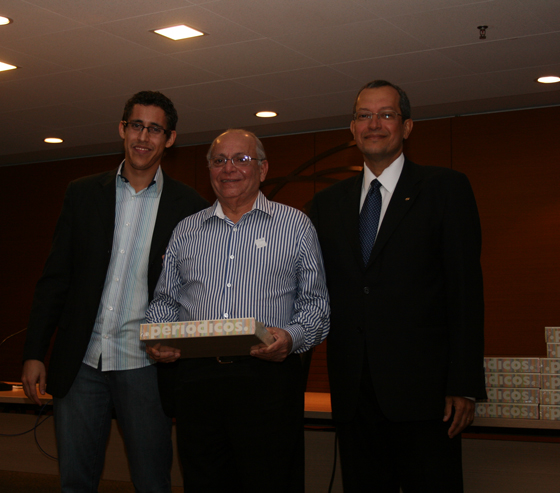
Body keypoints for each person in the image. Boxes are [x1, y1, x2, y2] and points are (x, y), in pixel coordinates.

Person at [21, 90, 209, 493]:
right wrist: (35, 351)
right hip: (81, 361)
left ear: (170, 139)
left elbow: (195, 292)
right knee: (75, 481)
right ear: (122, 129)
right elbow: (55, 279)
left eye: (154, 129)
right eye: (136, 125)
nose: (143, 137)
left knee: (151, 482)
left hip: (146, 365)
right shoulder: (83, 193)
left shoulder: (190, 206)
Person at [309, 80, 486, 491]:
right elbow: (314, 287)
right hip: (354, 395)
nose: (374, 124)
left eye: (386, 114)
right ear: (352, 128)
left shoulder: (445, 188)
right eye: (364, 116)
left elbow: (466, 292)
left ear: (406, 127)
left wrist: (464, 385)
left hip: (427, 396)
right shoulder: (327, 203)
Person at [145, 129, 330, 493]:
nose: (228, 169)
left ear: (263, 169)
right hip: (197, 381)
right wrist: (158, 337)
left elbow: (316, 306)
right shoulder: (186, 230)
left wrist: (290, 337)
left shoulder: (295, 226)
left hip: (267, 378)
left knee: (271, 482)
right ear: (209, 170)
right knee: (203, 482)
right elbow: (165, 301)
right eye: (219, 160)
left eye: (241, 159)